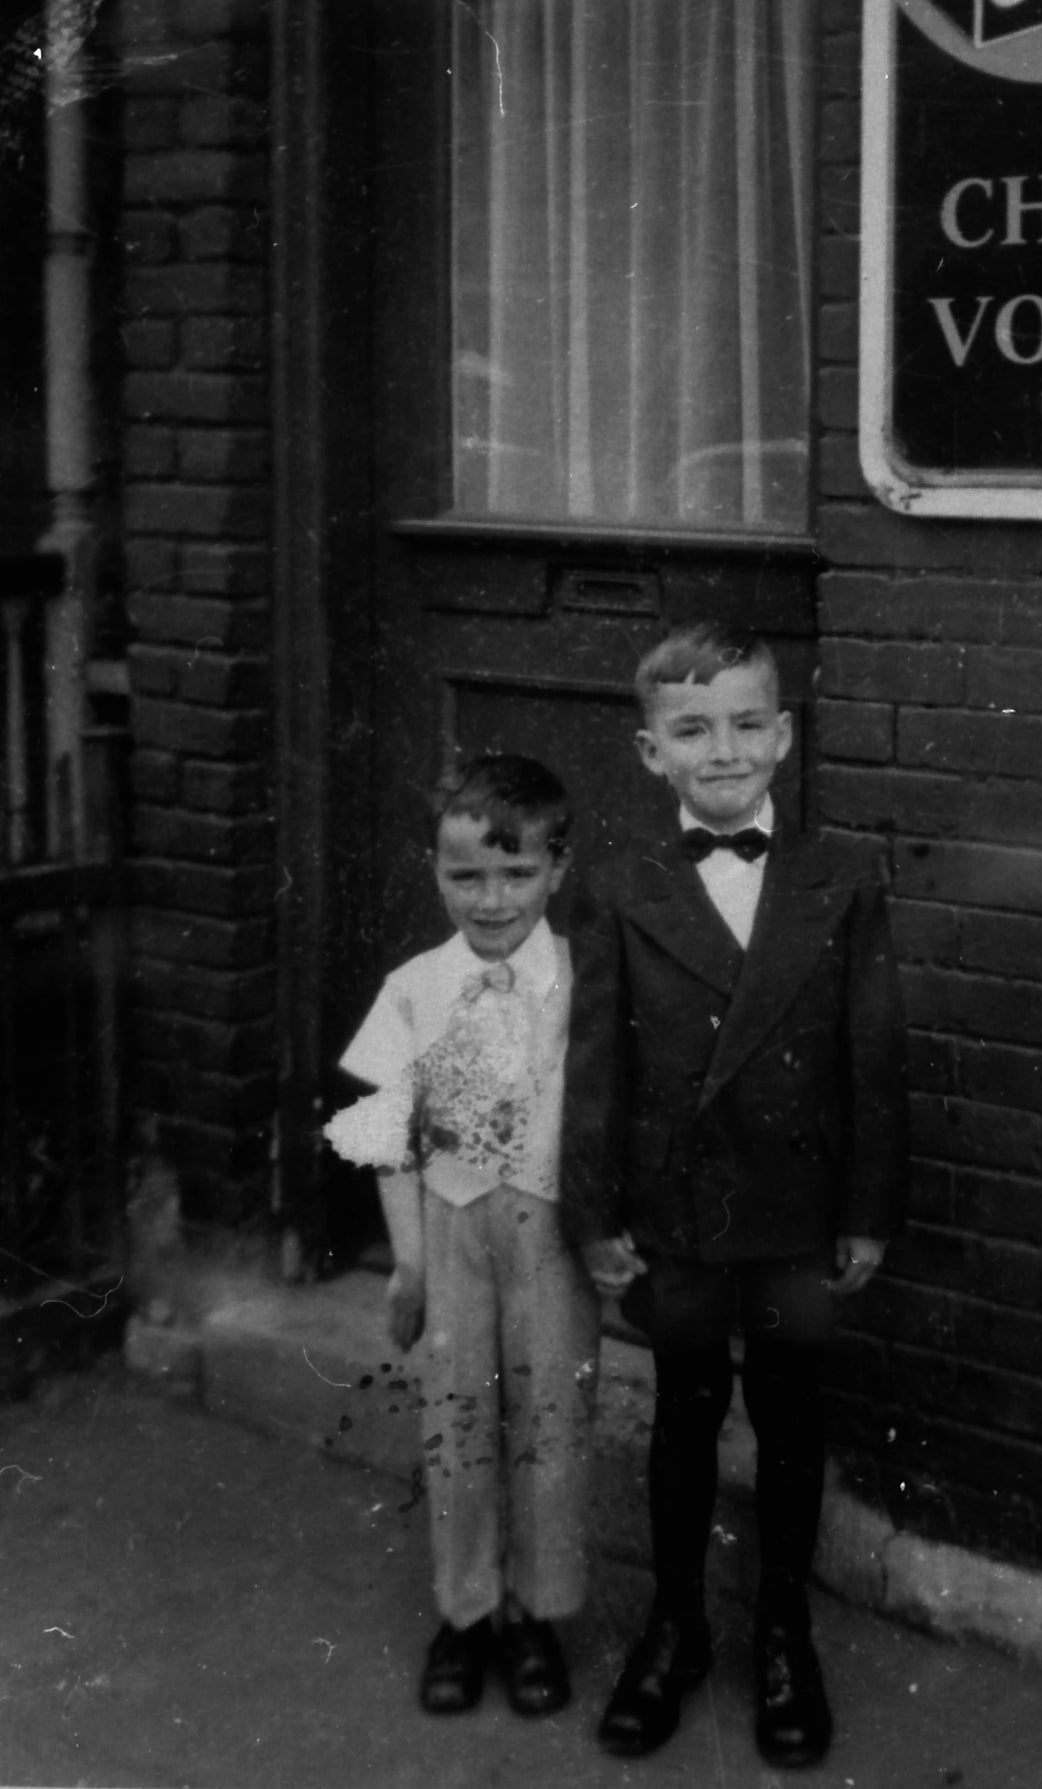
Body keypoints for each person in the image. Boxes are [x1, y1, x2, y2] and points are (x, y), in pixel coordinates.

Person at [560, 621, 909, 1768]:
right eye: (692, 729)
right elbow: (594, 1066)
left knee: (794, 1416)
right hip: (679, 1213)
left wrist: (864, 1209)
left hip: (799, 1213)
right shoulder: (615, 885)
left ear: (785, 737)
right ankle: (675, 1628)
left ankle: (781, 1633)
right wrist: (594, 1215)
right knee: (684, 1411)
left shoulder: (839, 877)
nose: (724, 750)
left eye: (748, 724)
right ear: (650, 750)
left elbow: (872, 1053)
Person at [324, 755, 598, 1721]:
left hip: (551, 1232)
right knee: (459, 1418)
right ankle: (466, 1608)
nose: (491, 899)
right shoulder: (416, 986)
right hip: (449, 1224)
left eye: (516, 874)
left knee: (550, 1420)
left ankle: (537, 1609)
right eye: (465, 876)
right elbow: (392, 1134)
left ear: (557, 870)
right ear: (434, 872)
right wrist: (408, 1259)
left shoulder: (581, 981)